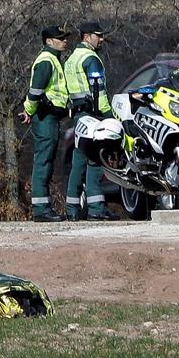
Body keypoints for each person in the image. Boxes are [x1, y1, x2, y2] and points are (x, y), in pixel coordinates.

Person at [17, 25, 71, 222]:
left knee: (46, 161)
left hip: (51, 117)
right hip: (45, 117)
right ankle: (40, 210)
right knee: (43, 161)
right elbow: (35, 92)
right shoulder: (47, 61)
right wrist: (28, 111)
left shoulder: (53, 60)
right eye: (60, 38)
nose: (65, 40)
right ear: (49, 41)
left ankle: (43, 208)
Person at [64, 21, 117, 221]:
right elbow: (99, 92)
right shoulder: (91, 59)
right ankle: (96, 208)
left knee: (78, 162)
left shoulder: (71, 59)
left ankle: (72, 209)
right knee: (95, 160)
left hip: (78, 116)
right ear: (87, 36)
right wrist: (109, 116)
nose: (102, 39)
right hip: (94, 115)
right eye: (98, 35)